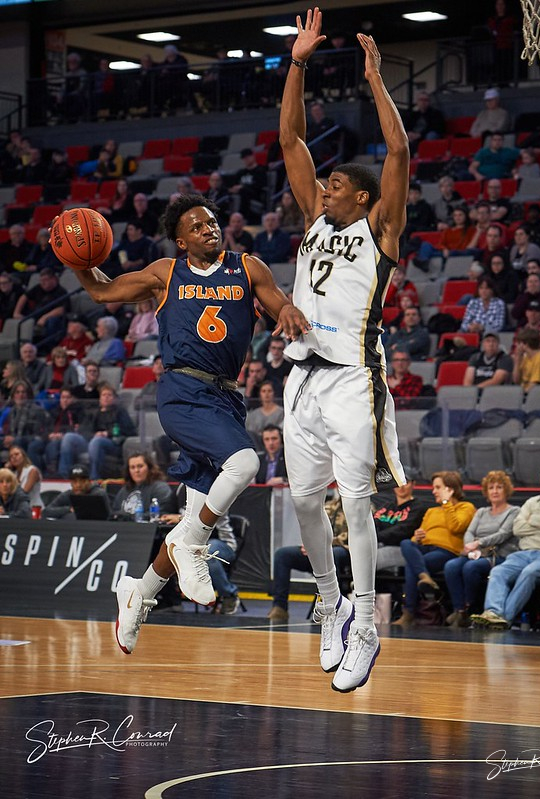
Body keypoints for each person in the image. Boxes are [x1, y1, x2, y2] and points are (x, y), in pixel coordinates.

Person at [70, 192, 308, 654]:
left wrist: (290, 311)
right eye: (197, 226)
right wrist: (76, 259)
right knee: (244, 465)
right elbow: (102, 290)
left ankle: (138, 594)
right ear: (181, 241)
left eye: (212, 222)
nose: (208, 229)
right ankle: (194, 545)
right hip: (183, 389)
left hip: (226, 397)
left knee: (193, 518)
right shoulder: (166, 273)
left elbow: (280, 306)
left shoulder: (248, 267)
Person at [279, 10, 409, 691]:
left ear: (361, 197)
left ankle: (365, 624)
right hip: (301, 377)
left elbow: (399, 153)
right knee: (304, 501)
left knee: (356, 503)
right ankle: (329, 603)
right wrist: (296, 63)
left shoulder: (380, 228)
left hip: (355, 375)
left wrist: (376, 80)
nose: (323, 188)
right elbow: (290, 138)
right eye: (322, 184)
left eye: (335, 185)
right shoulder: (313, 219)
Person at [471, 458, 540, 629]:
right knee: (498, 571)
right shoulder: (531, 502)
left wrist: (533, 520)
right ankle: (493, 612)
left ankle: (504, 618)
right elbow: (517, 528)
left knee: (529, 573)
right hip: (523, 553)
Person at [396, 471, 476, 627]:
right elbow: (416, 538)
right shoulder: (431, 511)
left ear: (450, 489)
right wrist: (417, 537)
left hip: (447, 551)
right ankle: (424, 577)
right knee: (406, 543)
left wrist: (447, 503)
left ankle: (409, 612)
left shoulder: (466, 507)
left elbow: (456, 527)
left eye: (438, 488)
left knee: (412, 566)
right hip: (425, 547)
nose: (433, 491)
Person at [444, 470, 519, 627]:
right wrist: (470, 546)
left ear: (506, 490)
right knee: (451, 566)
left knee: (471, 568)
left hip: (498, 554)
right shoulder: (482, 512)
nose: (495, 491)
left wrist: (478, 543)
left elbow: (503, 534)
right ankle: (459, 610)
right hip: (475, 553)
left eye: (499, 487)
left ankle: (470, 608)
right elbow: (470, 532)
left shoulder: (513, 511)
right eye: (491, 488)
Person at [268, 493, 351, 622]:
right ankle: (280, 607)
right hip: (319, 549)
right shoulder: (328, 506)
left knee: (334, 554)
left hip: (346, 552)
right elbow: (313, 527)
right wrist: (309, 543)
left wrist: (322, 544)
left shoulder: (364, 506)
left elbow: (352, 537)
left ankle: (328, 606)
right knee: (283, 555)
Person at [112, 452, 175, 520]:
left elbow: (161, 513)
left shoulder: (160, 488)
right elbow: (115, 513)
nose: (136, 470)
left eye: (140, 466)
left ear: (149, 468)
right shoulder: (124, 490)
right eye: (132, 467)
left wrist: (130, 517)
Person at [43, 463, 110, 519]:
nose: (78, 485)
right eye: (75, 481)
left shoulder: (99, 494)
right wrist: (68, 509)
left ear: (89, 481)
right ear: (71, 483)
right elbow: (46, 511)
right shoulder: (68, 494)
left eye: (82, 481)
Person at [512, 327, 540, 392]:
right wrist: (517, 362)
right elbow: (516, 381)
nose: (517, 346)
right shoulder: (525, 358)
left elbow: (534, 385)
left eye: (519, 343)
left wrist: (521, 395)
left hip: (535, 394)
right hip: (521, 391)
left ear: (525, 344)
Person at [6, 444, 43, 508]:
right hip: (19, 509)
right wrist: (7, 471)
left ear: (23, 456)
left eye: (16, 454)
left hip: (34, 508)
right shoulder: (14, 474)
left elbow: (24, 493)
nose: (14, 457)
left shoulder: (32, 470)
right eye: (11, 456)